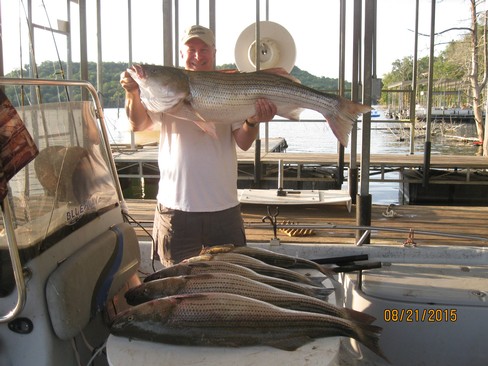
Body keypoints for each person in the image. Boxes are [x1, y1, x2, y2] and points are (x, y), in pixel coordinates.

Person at [120, 25, 277, 266]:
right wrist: (132, 91)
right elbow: (138, 124)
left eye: (203, 49)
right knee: (177, 284)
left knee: (230, 279)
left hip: (224, 208)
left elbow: (244, 142)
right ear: (181, 55)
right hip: (176, 209)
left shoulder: (231, 87)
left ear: (214, 53)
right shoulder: (162, 95)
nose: (197, 55)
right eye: (191, 49)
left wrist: (253, 121)